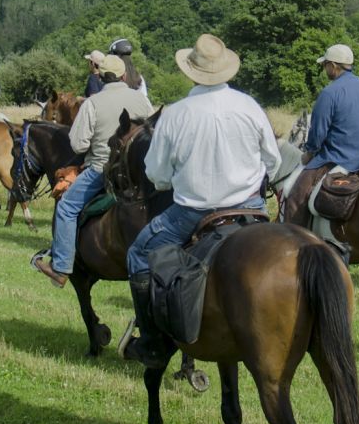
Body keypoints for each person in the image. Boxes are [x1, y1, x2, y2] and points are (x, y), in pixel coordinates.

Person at [120, 34, 280, 365]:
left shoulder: (176, 114)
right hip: (252, 210)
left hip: (192, 214)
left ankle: (151, 341)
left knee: (138, 252)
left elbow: (156, 173)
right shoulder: (249, 105)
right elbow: (273, 161)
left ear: (190, 71)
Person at [31, 54, 152, 287]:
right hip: (140, 171)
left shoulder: (92, 103)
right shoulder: (141, 99)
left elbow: (78, 145)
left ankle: (62, 266)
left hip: (102, 170)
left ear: (101, 76)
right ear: (124, 76)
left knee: (66, 207)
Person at [285, 43, 359, 221]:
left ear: (332, 66)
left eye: (325, 65)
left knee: (295, 195)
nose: (325, 69)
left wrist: (309, 153)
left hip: (343, 158)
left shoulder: (329, 93)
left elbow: (317, 135)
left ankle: (295, 239)